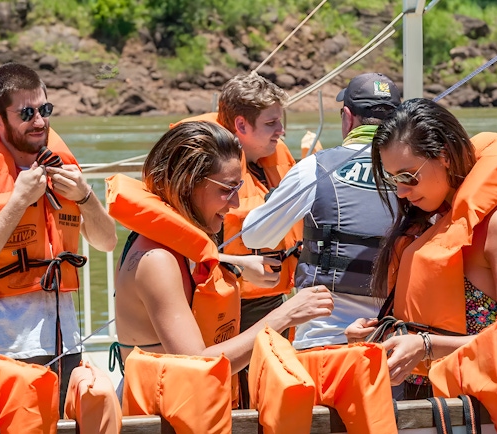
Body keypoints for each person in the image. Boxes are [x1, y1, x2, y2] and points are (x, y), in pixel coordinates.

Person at [106, 121, 333, 405]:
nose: (236, 203)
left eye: (239, 187)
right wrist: (284, 316)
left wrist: (235, 264)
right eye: (227, 189)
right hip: (160, 418)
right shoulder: (158, 261)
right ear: (187, 184)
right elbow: (198, 363)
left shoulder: (170, 248)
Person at [0, 62, 118, 412]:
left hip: (66, 344)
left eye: (45, 109)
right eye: (27, 113)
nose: (39, 121)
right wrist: (19, 201)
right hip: (2, 349)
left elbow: (106, 242)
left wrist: (86, 197)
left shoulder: (64, 171)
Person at [345, 98, 497, 398]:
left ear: (445, 156)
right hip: (419, 404)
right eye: (392, 178)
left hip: (475, 408)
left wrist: (425, 345)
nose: (400, 191)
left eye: (409, 176)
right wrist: (379, 335)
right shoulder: (427, 221)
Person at [242, 72, 400, 351]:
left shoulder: (315, 168)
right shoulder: (418, 174)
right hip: (397, 341)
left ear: (347, 118)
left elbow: (253, 236)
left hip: (324, 339)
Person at [172, 73, 302, 336]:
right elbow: (175, 251)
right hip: (219, 302)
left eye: (280, 120)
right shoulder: (202, 172)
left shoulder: (278, 160)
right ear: (241, 125)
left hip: (272, 301)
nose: (281, 130)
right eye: (271, 123)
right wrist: (237, 267)